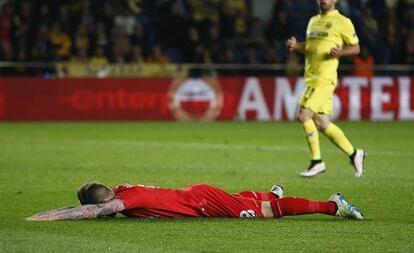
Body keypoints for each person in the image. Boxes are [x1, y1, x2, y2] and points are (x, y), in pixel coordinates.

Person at [286, 0, 366, 178]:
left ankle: (317, 161)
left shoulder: (342, 21)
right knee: (321, 123)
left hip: (324, 77)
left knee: (303, 116)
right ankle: (355, 153)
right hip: (311, 76)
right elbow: (311, 47)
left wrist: (341, 52)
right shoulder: (313, 21)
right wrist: (297, 46)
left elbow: (356, 48)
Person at [26, 181, 363, 221]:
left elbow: (95, 210)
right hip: (196, 194)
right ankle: (268, 192)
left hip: (201, 203)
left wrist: (50, 216)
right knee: (246, 200)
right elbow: (99, 203)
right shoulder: (124, 187)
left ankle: (333, 205)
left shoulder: (126, 201)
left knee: (265, 214)